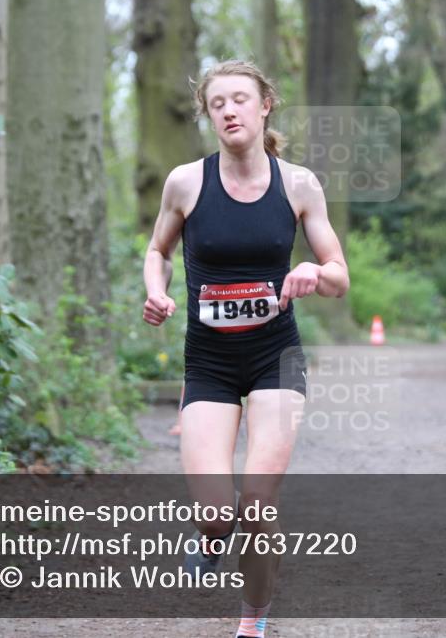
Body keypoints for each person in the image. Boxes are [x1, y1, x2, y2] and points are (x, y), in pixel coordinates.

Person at [142, 60, 349, 638]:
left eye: (240, 99)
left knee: (257, 503)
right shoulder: (185, 182)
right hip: (207, 363)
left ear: (264, 107)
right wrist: (156, 292)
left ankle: (252, 623)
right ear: (209, 116)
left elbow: (339, 275)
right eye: (217, 104)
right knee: (215, 512)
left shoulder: (298, 184)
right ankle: (210, 538)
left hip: (274, 360)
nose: (229, 110)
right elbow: (157, 250)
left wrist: (313, 270)